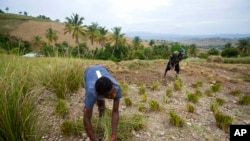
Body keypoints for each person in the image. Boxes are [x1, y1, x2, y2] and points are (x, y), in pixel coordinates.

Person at [83, 64, 122, 141]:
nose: (114, 95)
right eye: (109, 95)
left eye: (113, 91)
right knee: (94, 104)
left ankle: (101, 118)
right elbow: (86, 119)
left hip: (101, 68)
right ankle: (95, 106)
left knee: (101, 104)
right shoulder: (92, 93)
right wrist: (93, 139)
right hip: (89, 71)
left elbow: (115, 111)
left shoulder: (117, 88)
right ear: (100, 94)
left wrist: (113, 135)